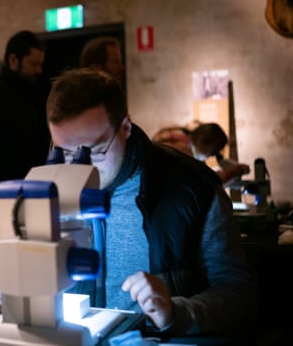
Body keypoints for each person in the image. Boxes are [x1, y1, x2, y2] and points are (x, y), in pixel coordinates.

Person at [46, 69, 257, 337]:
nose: (81, 167)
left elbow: (240, 295)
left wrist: (175, 313)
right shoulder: (47, 183)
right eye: (65, 152)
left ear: (125, 126)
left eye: (96, 151)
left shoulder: (192, 186)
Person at [0, 30, 50, 242]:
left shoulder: (31, 94)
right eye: (33, 63)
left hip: (21, 196)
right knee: (3, 266)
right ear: (14, 60)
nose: (38, 70)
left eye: (40, 64)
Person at [152, 122, 250, 184]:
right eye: (214, 151)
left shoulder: (178, 138)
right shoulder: (180, 149)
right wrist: (234, 171)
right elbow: (206, 182)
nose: (212, 155)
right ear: (203, 139)